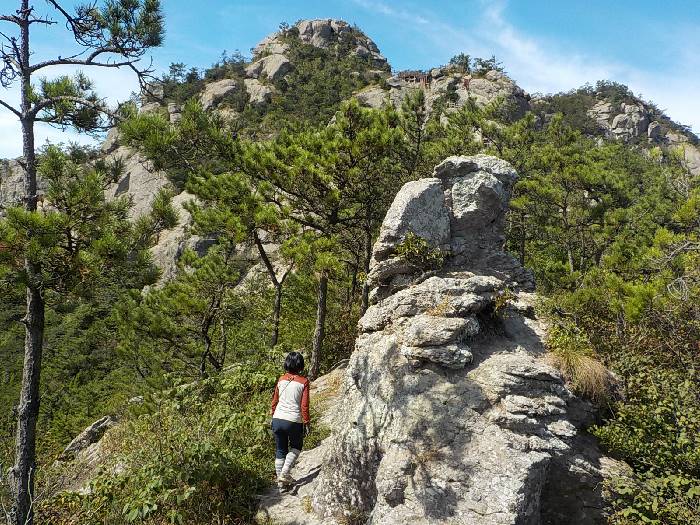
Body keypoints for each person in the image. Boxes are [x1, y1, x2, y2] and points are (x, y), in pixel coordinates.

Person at [270, 351, 310, 488]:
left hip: (277, 419)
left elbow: (275, 400)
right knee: (296, 447)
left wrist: (273, 415)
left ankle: (281, 487)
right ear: (300, 365)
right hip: (293, 420)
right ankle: (285, 473)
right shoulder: (304, 382)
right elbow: (304, 405)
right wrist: (307, 422)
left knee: (280, 450)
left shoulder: (281, 379)